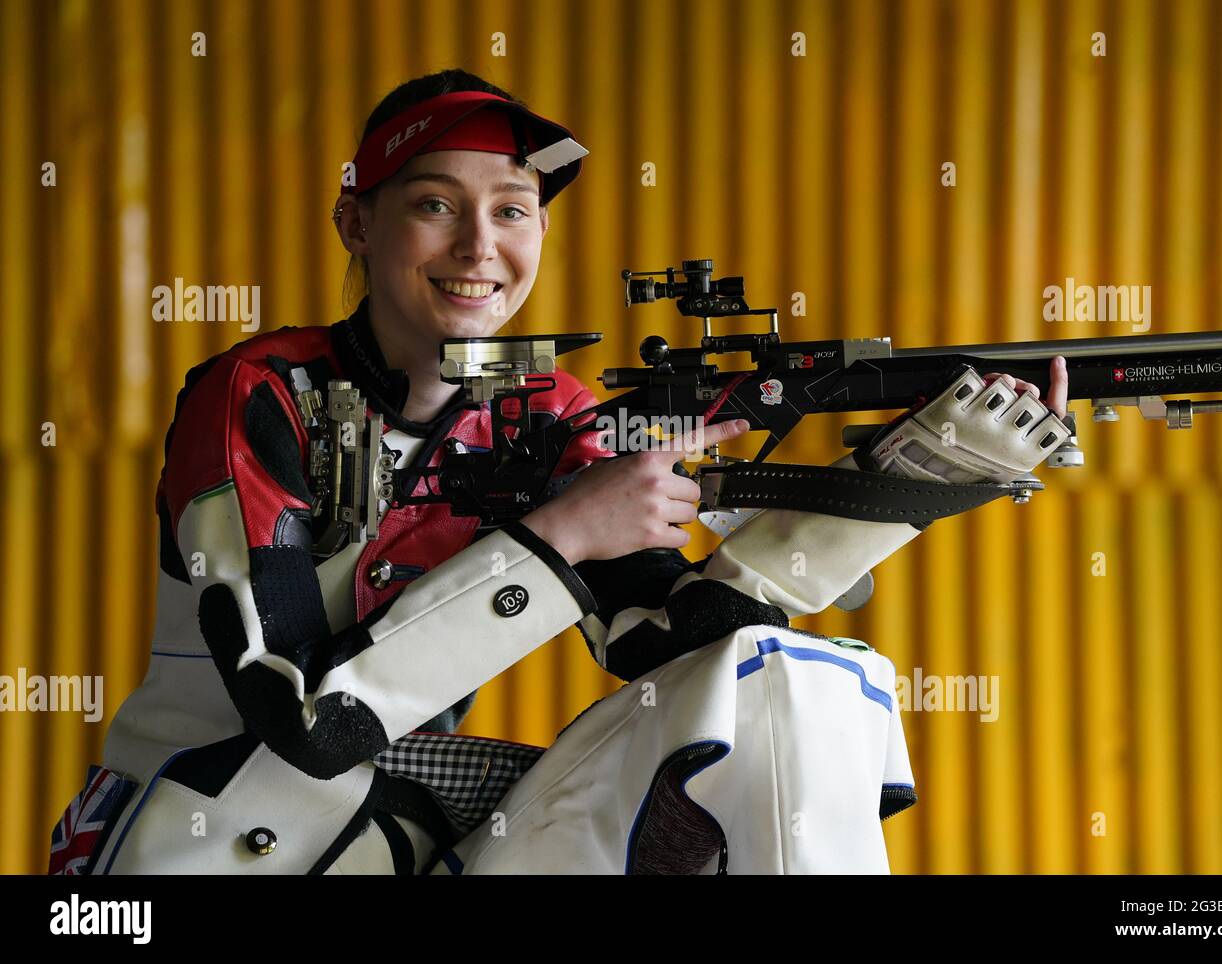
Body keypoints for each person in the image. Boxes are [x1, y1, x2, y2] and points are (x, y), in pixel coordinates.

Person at [50, 68, 1069, 876]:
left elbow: (678, 641)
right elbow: (307, 720)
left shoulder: (546, 413)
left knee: (792, 680)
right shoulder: (257, 389)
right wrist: (569, 532)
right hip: (197, 838)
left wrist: (926, 471)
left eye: (513, 209)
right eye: (436, 205)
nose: (480, 245)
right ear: (356, 222)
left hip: (404, 832)